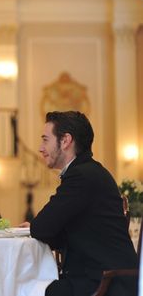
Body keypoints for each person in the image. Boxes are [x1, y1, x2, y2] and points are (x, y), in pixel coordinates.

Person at [27, 111, 138, 296]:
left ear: (65, 141)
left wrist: (37, 228)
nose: (40, 148)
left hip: (106, 283)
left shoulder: (81, 177)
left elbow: (40, 228)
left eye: (45, 140)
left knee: (22, 287)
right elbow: (67, 234)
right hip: (101, 277)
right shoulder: (89, 171)